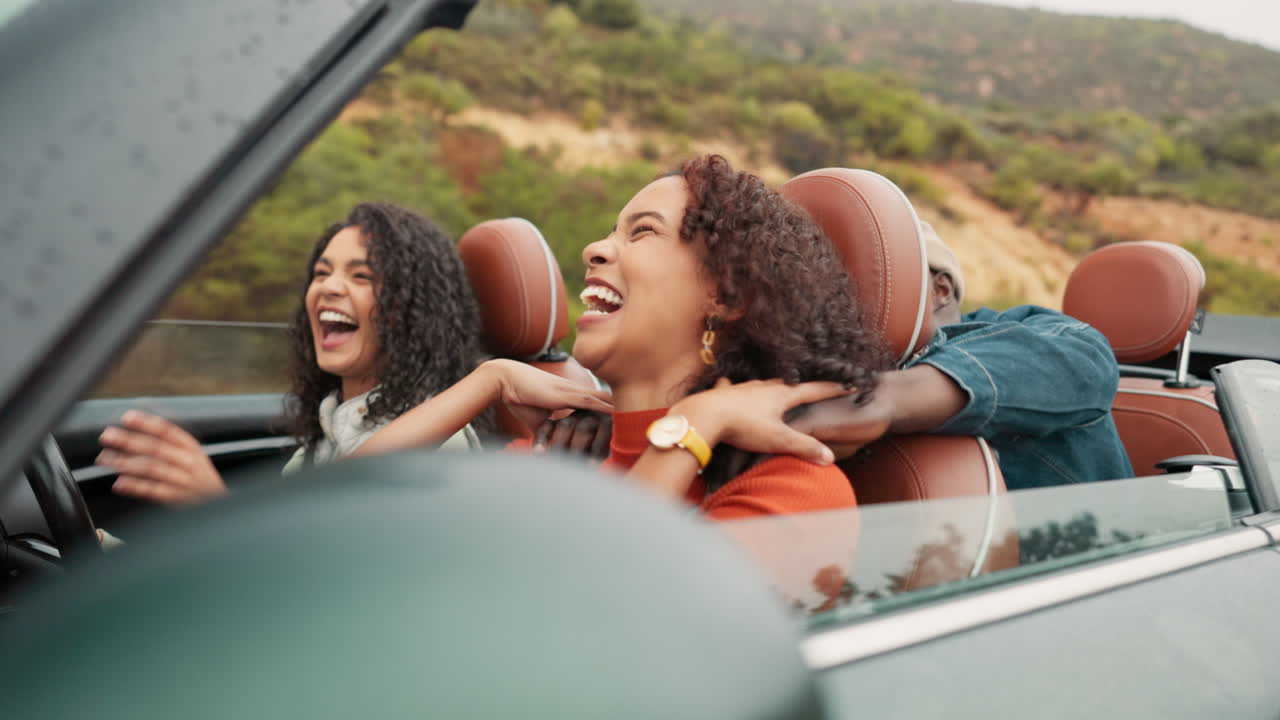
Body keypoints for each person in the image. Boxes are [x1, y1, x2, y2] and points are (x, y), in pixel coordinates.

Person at [356, 155, 889, 520]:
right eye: (611, 231)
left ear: (726, 296)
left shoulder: (795, 490)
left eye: (643, 231)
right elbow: (353, 507)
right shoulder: (549, 458)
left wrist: (693, 425)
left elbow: (613, 612)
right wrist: (489, 378)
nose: (594, 249)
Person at [95, 203, 513, 504]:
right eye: (321, 272)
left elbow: (336, 592)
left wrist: (214, 505)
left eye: (361, 276)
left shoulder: (438, 442)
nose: (328, 287)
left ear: (413, 310)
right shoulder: (328, 433)